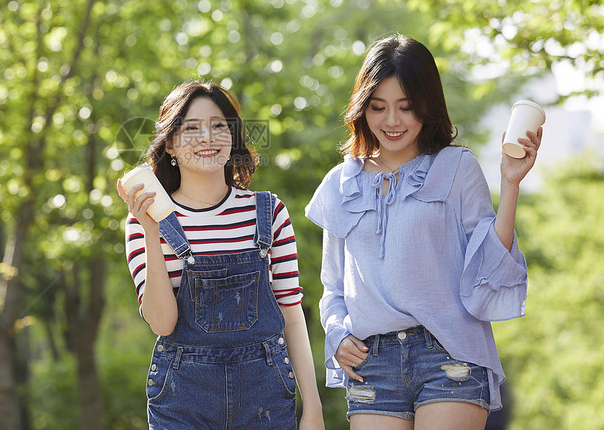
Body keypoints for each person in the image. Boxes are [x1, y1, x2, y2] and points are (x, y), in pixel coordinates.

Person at [305, 34, 542, 429]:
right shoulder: (340, 183)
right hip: (372, 362)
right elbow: (333, 286)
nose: (392, 121)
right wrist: (337, 334)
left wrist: (510, 183)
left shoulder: (456, 167)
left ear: (427, 106)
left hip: (450, 354)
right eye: (378, 107)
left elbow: (489, 268)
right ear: (362, 109)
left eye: (406, 107)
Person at [118, 81, 324, 430]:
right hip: (182, 402)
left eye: (219, 126)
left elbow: (290, 312)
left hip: (267, 399)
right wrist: (152, 233)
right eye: (192, 128)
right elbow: (162, 323)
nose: (207, 138)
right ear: (169, 143)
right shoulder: (143, 221)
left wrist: (313, 409)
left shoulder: (268, 211)